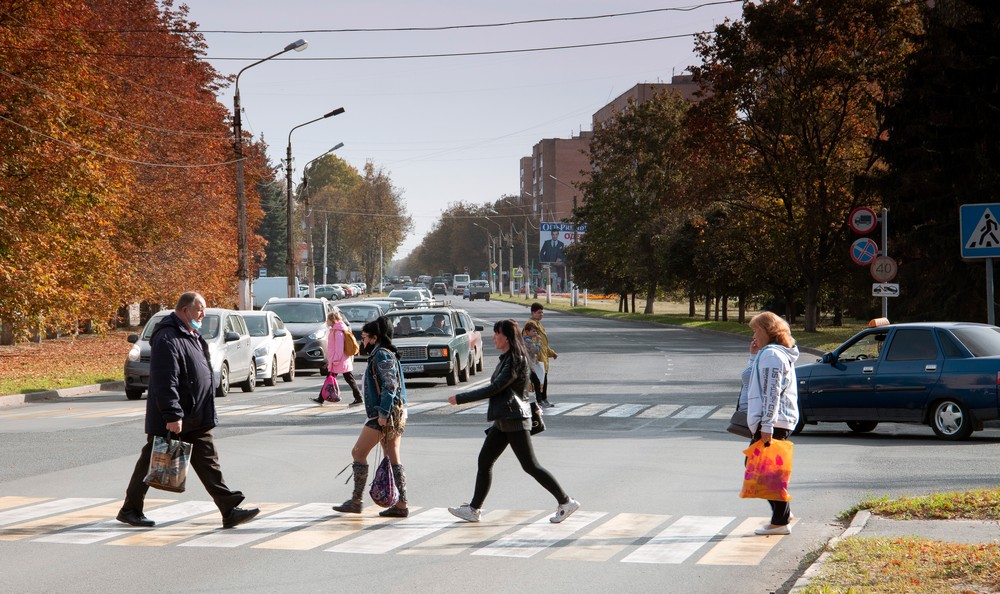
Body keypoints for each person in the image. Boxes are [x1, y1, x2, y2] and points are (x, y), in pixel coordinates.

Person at [118, 292, 259, 529]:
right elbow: (165, 379)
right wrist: (172, 414)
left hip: (196, 415)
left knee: (208, 462)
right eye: (200, 309)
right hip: (178, 417)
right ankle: (130, 509)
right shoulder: (167, 337)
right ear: (185, 310)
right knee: (152, 460)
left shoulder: (190, 334)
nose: (203, 314)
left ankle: (229, 508)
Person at [446, 319, 579, 524]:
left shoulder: (515, 360)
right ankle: (474, 509)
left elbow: (495, 388)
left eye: (496, 333)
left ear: (506, 337)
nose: (493, 337)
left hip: (514, 419)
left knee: (531, 466)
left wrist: (461, 398)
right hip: (504, 419)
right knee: (485, 461)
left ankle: (565, 501)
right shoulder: (508, 358)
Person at [332, 316, 410, 518]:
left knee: (358, 453)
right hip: (394, 413)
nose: (362, 341)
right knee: (392, 455)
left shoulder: (382, 355)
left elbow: (390, 385)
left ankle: (357, 500)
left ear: (375, 338)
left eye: (365, 337)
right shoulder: (384, 353)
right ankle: (401, 503)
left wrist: (383, 413)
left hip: (383, 415)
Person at [746, 311, 800, 536]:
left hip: (774, 421)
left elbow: (771, 392)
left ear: (769, 331)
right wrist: (752, 357)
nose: (754, 335)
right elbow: (749, 379)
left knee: (763, 470)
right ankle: (783, 514)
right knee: (765, 468)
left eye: (756, 330)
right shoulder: (767, 354)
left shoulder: (771, 356)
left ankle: (780, 521)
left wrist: (767, 426)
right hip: (775, 420)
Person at [313, 311, 362, 406]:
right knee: (343, 378)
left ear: (333, 320)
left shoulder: (338, 332)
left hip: (339, 360)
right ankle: (321, 398)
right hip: (340, 360)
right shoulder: (336, 330)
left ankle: (358, 397)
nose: (326, 321)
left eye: (328, 319)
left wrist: (334, 360)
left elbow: (339, 348)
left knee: (343, 378)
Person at [526, 302, 557, 408]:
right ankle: (542, 400)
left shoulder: (538, 324)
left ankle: (543, 399)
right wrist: (536, 356)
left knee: (542, 379)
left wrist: (551, 353)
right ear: (533, 312)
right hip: (536, 358)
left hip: (542, 356)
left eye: (542, 313)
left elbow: (543, 343)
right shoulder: (531, 325)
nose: (541, 315)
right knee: (539, 380)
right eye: (539, 313)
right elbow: (529, 344)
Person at [522, 320, 546, 397]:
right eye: (533, 331)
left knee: (534, 382)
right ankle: (538, 400)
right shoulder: (528, 340)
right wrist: (538, 342)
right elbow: (535, 350)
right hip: (529, 365)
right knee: (536, 382)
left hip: (527, 364)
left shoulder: (525, 339)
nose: (535, 333)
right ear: (527, 331)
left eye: (536, 331)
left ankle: (537, 400)